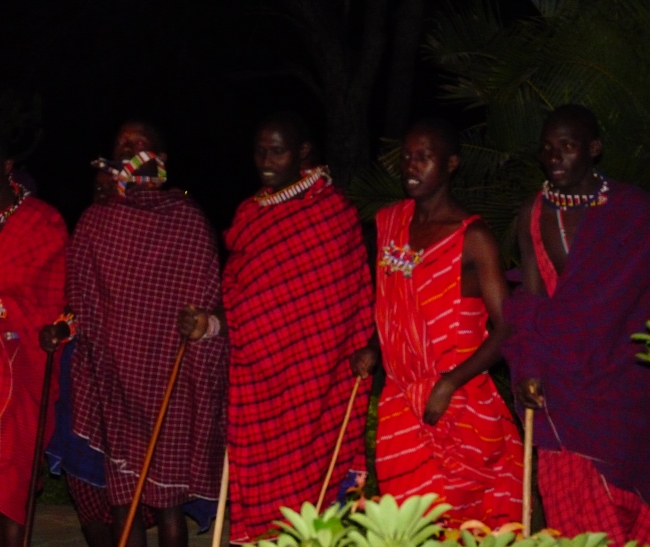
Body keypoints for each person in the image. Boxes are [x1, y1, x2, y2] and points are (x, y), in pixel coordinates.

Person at [179, 111, 374, 543]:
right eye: (260, 151)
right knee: (263, 494)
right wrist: (209, 325)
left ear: (303, 152)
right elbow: (239, 300)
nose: (266, 160)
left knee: (316, 493)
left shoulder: (332, 214)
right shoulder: (250, 216)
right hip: (258, 385)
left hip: (315, 382)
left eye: (277, 151)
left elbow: (348, 304)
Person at [41, 121, 227, 547]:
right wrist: (62, 328)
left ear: (160, 159)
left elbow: (208, 303)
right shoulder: (97, 220)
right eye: (121, 143)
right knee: (123, 496)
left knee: (168, 504)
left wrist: (199, 327)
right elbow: (81, 301)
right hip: (116, 382)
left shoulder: (185, 219)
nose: (127, 148)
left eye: (138, 143)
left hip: (170, 383)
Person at [502, 104, 650, 545]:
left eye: (567, 146)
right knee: (571, 510)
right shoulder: (533, 213)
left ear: (593, 149)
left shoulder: (633, 210)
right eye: (547, 148)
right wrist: (528, 368)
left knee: (621, 507)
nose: (554, 157)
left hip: (622, 384)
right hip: (559, 380)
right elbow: (532, 299)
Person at [351, 119, 524, 528]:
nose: (411, 166)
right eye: (407, 157)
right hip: (400, 400)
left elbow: (508, 328)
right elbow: (393, 306)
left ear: (451, 164)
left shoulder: (473, 237)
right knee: (406, 525)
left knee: (459, 524)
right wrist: (374, 347)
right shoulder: (391, 224)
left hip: (458, 402)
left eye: (424, 157)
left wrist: (448, 383)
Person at [0, 138, 67, 546]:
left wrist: (5, 308)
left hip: (22, 366)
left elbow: (54, 305)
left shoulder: (43, 222)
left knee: (12, 482)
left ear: (7, 165)